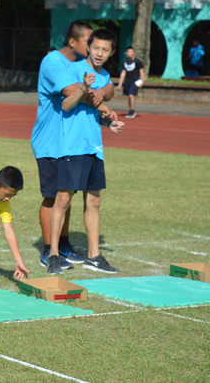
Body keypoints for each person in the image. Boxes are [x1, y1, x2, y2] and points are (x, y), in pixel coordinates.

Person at [31, 21, 115, 273]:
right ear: (74, 43)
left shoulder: (80, 66)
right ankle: (50, 251)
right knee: (53, 197)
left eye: (103, 47)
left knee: (71, 196)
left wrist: (107, 91)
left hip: (72, 143)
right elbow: (72, 93)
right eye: (91, 42)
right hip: (52, 141)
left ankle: (64, 246)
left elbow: (106, 85)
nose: (95, 48)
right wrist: (103, 103)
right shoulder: (54, 62)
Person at [51, 29, 125, 275]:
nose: (99, 53)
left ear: (112, 53)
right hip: (72, 145)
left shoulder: (105, 79)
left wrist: (108, 123)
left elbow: (95, 113)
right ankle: (53, 255)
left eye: (105, 50)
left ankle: (94, 256)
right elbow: (66, 104)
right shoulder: (73, 69)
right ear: (88, 47)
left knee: (94, 202)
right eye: (95, 48)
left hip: (95, 147)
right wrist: (83, 87)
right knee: (62, 200)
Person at [117, 46, 144, 119]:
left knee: (131, 95)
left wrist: (142, 81)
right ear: (126, 53)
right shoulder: (125, 62)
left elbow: (141, 71)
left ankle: (132, 110)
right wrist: (120, 83)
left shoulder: (137, 61)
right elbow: (123, 72)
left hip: (135, 81)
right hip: (127, 82)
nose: (131, 53)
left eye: (132, 52)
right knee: (128, 96)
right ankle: (130, 110)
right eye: (129, 52)